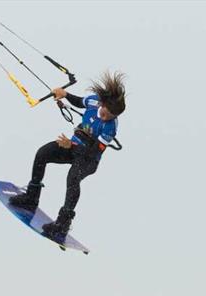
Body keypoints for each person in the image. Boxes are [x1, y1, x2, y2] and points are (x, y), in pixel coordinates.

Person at [9, 71, 126, 239]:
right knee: (43, 153)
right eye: (106, 112)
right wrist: (64, 94)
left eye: (112, 116)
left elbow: (94, 152)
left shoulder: (110, 127)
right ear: (103, 103)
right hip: (73, 148)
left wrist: (72, 145)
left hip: (88, 159)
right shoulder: (94, 101)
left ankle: (62, 224)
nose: (106, 117)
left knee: (73, 178)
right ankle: (31, 197)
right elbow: (79, 102)